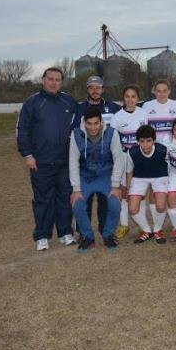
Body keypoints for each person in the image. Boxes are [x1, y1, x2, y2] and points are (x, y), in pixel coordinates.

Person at [16, 67, 77, 251]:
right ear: (43, 79)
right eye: (50, 79)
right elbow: (22, 130)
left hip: (65, 162)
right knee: (43, 200)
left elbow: (79, 129)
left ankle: (65, 232)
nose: (53, 82)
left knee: (65, 198)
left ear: (61, 82)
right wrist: (27, 155)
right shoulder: (32, 102)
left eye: (57, 79)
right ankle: (42, 235)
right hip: (40, 162)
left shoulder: (69, 101)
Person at [73, 75, 122, 237]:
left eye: (98, 87)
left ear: (103, 89)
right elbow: (76, 135)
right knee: (84, 201)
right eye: (91, 87)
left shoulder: (113, 108)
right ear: (87, 89)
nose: (95, 90)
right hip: (86, 165)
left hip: (105, 164)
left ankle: (104, 229)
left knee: (105, 201)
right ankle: (83, 233)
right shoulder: (78, 108)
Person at [69, 107, 123, 252]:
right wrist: (76, 189)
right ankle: (87, 236)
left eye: (96, 123)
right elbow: (73, 162)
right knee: (77, 204)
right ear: (84, 122)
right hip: (85, 176)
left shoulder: (112, 133)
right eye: (89, 124)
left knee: (115, 203)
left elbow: (119, 159)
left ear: (101, 122)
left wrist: (115, 185)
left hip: (105, 175)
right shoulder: (76, 135)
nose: (93, 127)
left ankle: (108, 234)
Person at [143, 80, 176, 231]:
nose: (161, 93)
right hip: (154, 153)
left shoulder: (175, 105)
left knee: (174, 188)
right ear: (154, 91)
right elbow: (145, 129)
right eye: (158, 90)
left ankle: (172, 218)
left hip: (172, 152)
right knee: (154, 189)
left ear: (169, 91)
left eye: (164, 90)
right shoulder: (147, 106)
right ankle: (156, 223)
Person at [110, 85, 149, 240]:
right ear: (123, 99)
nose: (130, 99)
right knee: (124, 192)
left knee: (141, 193)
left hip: (140, 158)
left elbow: (147, 137)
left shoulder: (143, 114)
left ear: (137, 98)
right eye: (127, 96)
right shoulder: (117, 117)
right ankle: (124, 225)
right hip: (123, 159)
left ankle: (142, 225)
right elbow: (113, 142)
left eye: (133, 96)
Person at [125, 125, 168, 244]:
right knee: (133, 208)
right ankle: (147, 231)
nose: (145, 144)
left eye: (149, 141)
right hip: (139, 178)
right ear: (138, 141)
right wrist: (128, 188)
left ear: (154, 140)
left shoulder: (163, 150)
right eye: (142, 141)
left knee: (160, 206)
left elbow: (171, 167)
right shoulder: (132, 152)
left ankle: (158, 230)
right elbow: (129, 171)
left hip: (160, 176)